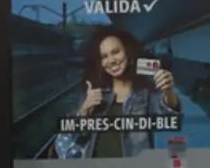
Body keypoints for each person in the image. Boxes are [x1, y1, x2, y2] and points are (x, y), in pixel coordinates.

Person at [56, 25, 182, 159]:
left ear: (127, 52)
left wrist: (168, 91)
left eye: (116, 52)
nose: (111, 60)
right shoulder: (93, 92)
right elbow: (74, 139)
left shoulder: (146, 90)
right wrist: (83, 111)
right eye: (104, 56)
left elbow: (168, 118)